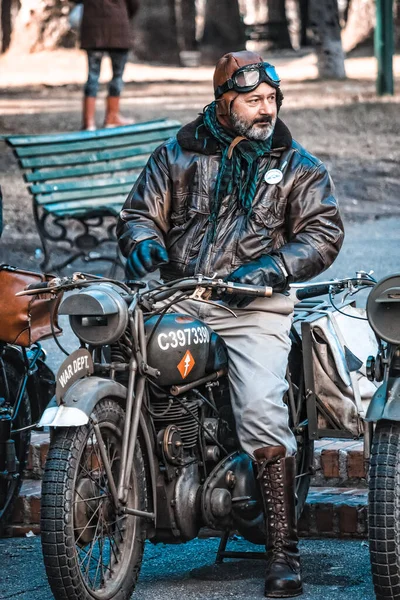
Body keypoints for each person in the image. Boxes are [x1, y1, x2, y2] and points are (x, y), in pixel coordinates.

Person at [117, 50, 344, 598]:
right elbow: (139, 212)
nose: (266, 110)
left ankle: (283, 552)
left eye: (272, 99)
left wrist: (272, 267)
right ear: (223, 102)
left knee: (262, 411)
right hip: (179, 294)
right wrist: (143, 242)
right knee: (119, 356)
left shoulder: (298, 165)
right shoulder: (176, 154)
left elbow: (323, 233)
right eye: (253, 100)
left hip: (252, 306)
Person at [77, 0, 139, 130]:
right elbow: (134, 4)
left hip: (93, 30)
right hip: (118, 28)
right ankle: (111, 118)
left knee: (92, 75)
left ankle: (89, 122)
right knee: (117, 75)